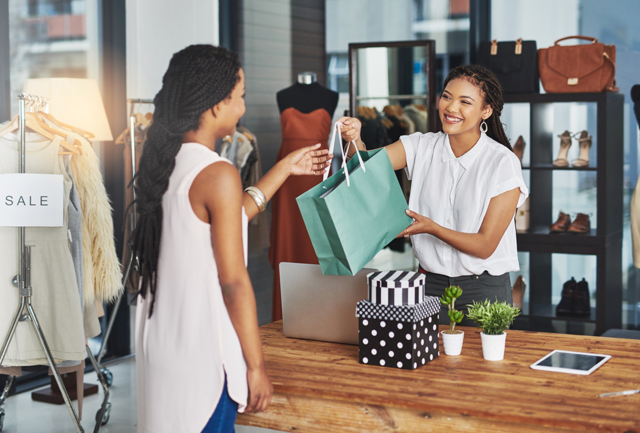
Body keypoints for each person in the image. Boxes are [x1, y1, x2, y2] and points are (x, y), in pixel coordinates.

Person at [133, 44, 332, 433]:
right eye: (239, 98)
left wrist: (284, 168)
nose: (242, 108)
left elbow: (234, 213)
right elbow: (234, 283)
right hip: (203, 355)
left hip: (162, 346)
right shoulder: (217, 172)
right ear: (213, 107)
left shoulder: (163, 163)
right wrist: (255, 367)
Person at [337, 64, 528, 324]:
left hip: (483, 290)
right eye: (447, 97)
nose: (451, 108)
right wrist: (353, 139)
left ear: (486, 110)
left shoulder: (502, 162)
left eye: (465, 101)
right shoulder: (420, 146)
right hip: (428, 286)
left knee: (483, 365)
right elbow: (363, 168)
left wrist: (431, 228)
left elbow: (485, 246)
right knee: (427, 364)